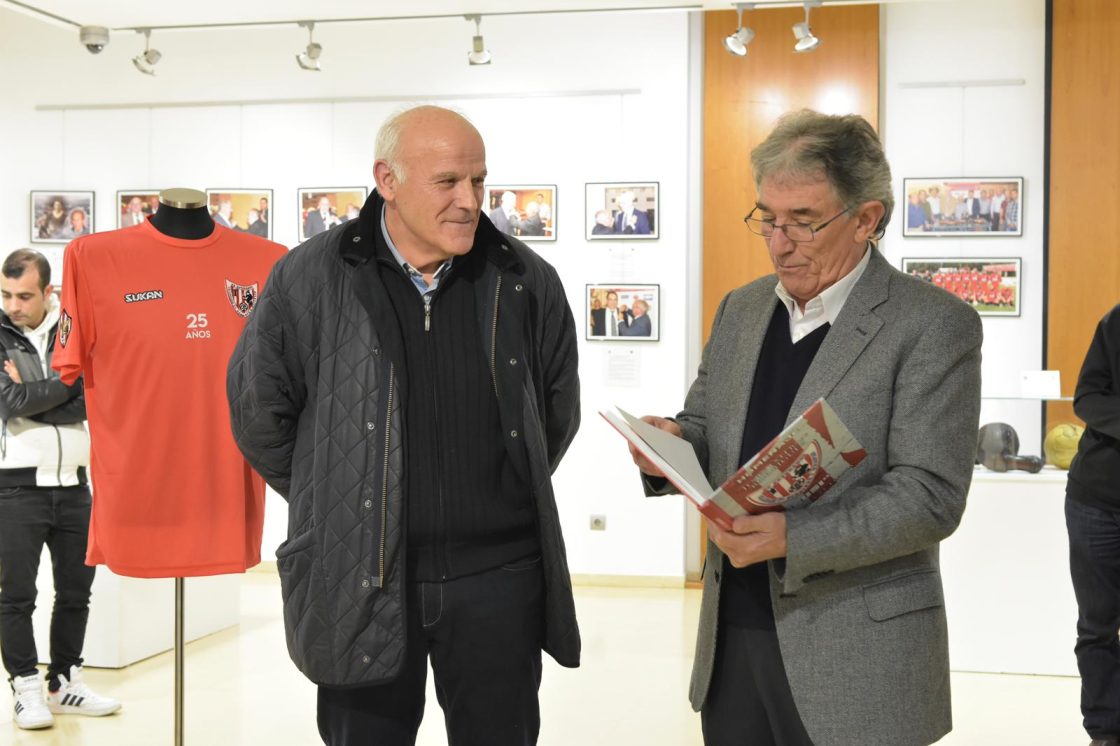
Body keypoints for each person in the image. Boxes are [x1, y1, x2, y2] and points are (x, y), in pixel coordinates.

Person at [227, 105, 581, 746]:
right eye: (447, 182)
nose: (470, 201)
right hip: (360, 573)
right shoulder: (309, 278)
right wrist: (342, 496)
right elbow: (260, 415)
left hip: (498, 582)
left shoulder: (525, 279)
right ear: (386, 179)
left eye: (479, 182)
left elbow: (555, 413)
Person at [629, 110, 982, 746]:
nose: (779, 242)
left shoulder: (932, 324)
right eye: (767, 218)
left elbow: (931, 496)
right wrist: (672, 445)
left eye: (804, 222)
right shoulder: (741, 309)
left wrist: (794, 537)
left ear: (867, 219)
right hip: (734, 634)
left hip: (858, 648)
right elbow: (707, 424)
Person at [0, 250, 120, 730]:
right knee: (16, 597)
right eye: (6, 295)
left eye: (24, 296)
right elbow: (9, 403)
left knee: (76, 592)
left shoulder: (72, 331)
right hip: (15, 489)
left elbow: (96, 394)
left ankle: (64, 681)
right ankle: (25, 685)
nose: (13, 305)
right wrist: (66, 386)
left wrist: (41, 395)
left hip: (75, 485)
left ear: (48, 292)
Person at [1065, 305, 1120, 746]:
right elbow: (1087, 398)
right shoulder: (1117, 321)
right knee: (1097, 626)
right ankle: (1104, 732)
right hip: (1096, 500)